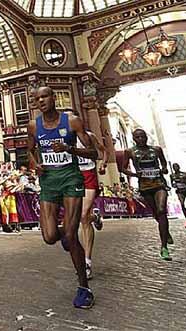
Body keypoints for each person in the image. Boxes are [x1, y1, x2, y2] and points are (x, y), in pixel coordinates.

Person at [27, 86, 97, 309]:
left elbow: (93, 152)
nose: (41, 101)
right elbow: (30, 150)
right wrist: (35, 164)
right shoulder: (33, 125)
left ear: (53, 98)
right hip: (48, 180)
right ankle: (66, 236)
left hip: (70, 178)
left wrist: (69, 148)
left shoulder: (72, 121)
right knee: (49, 236)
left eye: (45, 96)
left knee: (71, 233)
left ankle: (84, 288)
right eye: (37, 99)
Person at [122, 128, 173, 261]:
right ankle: (166, 231)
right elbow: (122, 168)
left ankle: (164, 247)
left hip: (159, 184)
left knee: (161, 210)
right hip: (144, 186)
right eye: (137, 137)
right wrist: (134, 174)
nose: (141, 139)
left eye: (142, 136)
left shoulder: (156, 149)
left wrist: (164, 168)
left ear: (146, 137)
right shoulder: (130, 151)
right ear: (133, 139)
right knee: (156, 213)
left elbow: (163, 161)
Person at [73, 111, 108, 280]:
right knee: (84, 219)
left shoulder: (89, 136)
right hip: (72, 178)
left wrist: (103, 164)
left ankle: (87, 261)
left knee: (82, 216)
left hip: (88, 176)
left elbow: (103, 150)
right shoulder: (63, 138)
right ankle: (95, 216)